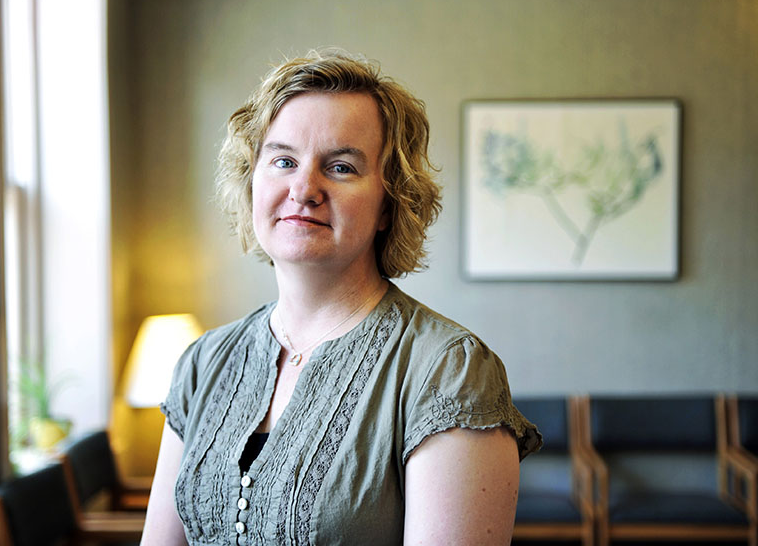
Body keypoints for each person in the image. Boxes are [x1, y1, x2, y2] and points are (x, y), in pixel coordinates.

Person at [142, 49, 541, 546]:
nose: (304, 188)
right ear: (251, 183)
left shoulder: (448, 372)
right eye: (283, 160)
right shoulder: (204, 363)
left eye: (341, 167)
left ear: (388, 203)